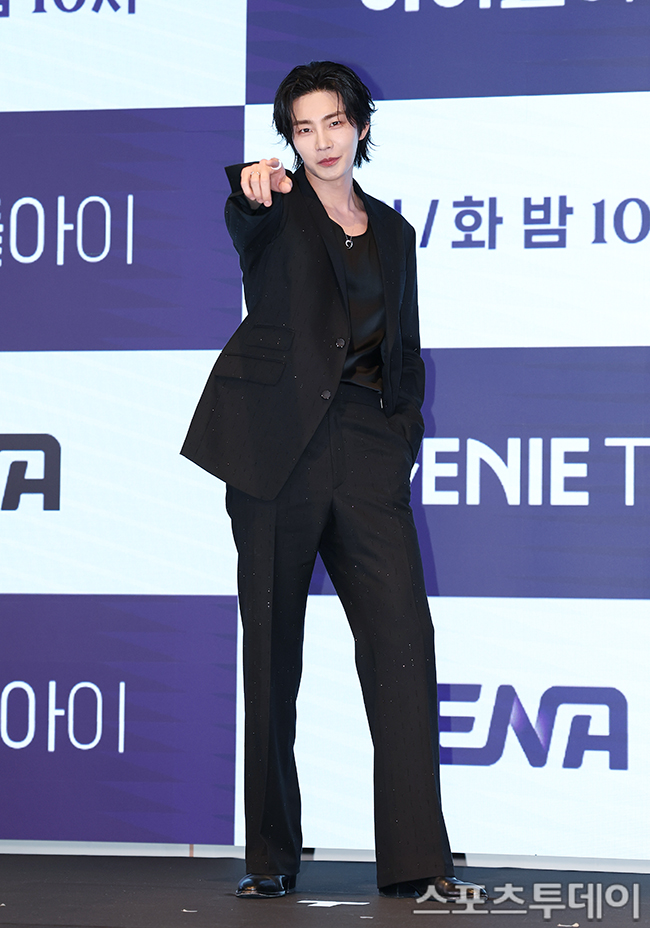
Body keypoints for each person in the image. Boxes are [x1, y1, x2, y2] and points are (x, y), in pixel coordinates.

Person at [181, 61, 485, 902]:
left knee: (403, 647)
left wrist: (399, 433)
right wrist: (252, 188)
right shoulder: (272, 207)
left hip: (366, 449)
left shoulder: (395, 233)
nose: (320, 141)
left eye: (334, 123)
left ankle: (417, 857)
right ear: (289, 138)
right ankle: (272, 855)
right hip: (275, 451)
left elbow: (405, 348)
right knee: (272, 655)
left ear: (360, 127)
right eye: (303, 128)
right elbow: (244, 211)